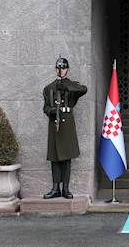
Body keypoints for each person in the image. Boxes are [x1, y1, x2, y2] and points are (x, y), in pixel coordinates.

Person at [42, 57, 87, 199]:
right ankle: (56, 188)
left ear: (67, 69)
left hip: (67, 125)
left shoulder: (73, 86)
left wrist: (66, 86)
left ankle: (66, 189)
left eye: (63, 68)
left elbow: (83, 89)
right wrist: (51, 111)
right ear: (56, 69)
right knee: (55, 157)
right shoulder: (48, 88)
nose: (61, 70)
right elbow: (45, 107)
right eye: (59, 68)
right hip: (54, 124)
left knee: (67, 157)